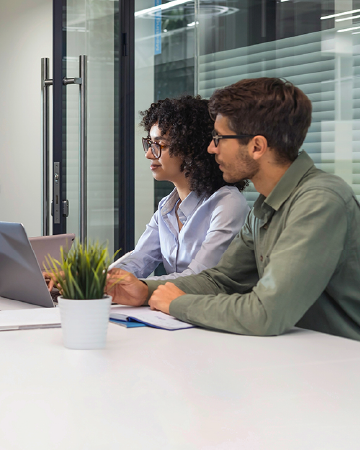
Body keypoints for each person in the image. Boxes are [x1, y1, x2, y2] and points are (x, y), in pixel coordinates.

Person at [108, 78, 360, 341]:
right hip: (298, 354)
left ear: (256, 147)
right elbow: (221, 280)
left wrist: (177, 303)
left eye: (219, 138)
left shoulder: (319, 201)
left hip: (342, 364)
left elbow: (265, 312)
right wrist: (143, 290)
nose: (210, 148)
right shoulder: (265, 206)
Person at [111, 95, 249, 279]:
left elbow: (199, 278)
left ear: (191, 149)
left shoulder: (227, 204)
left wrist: (140, 288)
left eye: (160, 144)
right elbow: (138, 260)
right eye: (150, 144)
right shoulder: (166, 208)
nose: (149, 154)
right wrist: (86, 281)